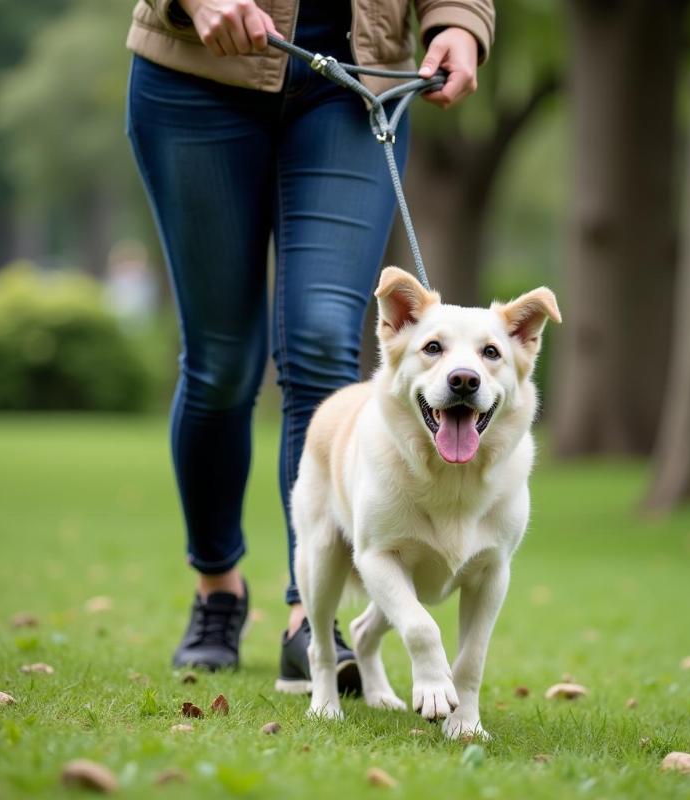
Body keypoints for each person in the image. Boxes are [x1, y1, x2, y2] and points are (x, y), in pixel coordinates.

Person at [125, 0, 494, 688]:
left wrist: (458, 23)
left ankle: (309, 620)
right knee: (222, 363)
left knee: (324, 340)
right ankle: (218, 591)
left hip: (354, 83)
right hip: (196, 77)